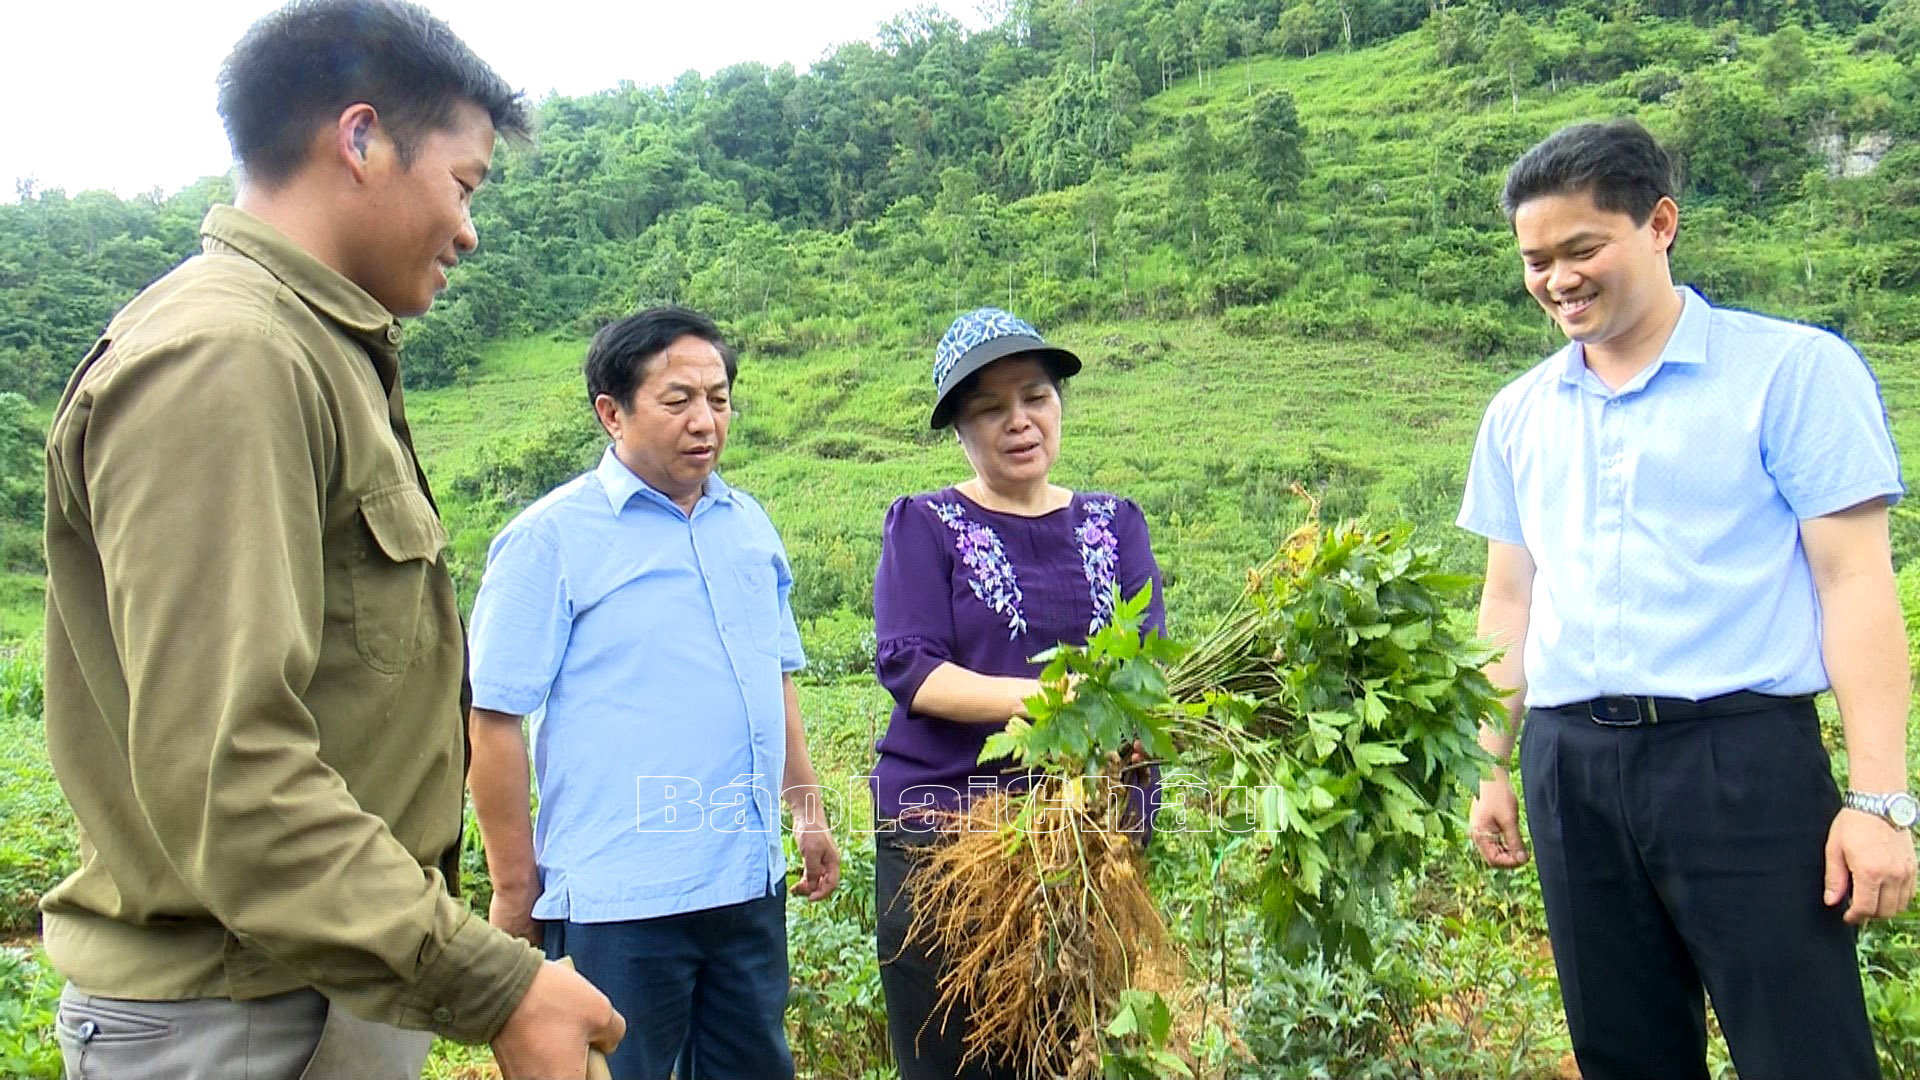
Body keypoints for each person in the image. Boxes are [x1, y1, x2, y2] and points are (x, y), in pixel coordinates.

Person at [38, 2, 625, 1078]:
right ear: (359, 139)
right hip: (237, 1020)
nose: (469, 228)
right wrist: (496, 983)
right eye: (463, 183)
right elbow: (232, 772)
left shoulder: (320, 352)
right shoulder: (228, 358)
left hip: (309, 994)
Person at [1459, 118, 1918, 1080]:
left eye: (1583, 248)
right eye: (1537, 260)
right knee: (1623, 1053)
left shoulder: (1792, 371)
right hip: (1571, 768)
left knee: (1804, 1051)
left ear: (1660, 224)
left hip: (1741, 762)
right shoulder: (1518, 413)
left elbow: (1855, 584)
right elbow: (1509, 603)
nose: (1558, 279)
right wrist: (1489, 762)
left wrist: (1881, 800)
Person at [466, 305, 839, 1080]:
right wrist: (513, 891)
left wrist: (807, 812)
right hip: (619, 903)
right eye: (678, 401)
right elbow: (494, 719)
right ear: (612, 412)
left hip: (744, 888)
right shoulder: (550, 539)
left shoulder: (749, 526)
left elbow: (776, 679)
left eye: (719, 398)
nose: (705, 420)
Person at [870, 307, 1166, 1079]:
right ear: (957, 430)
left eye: (1035, 396)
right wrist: (1046, 698)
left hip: (1085, 838)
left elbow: (1143, 671)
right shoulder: (926, 525)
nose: (1018, 421)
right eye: (988, 408)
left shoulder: (1115, 522)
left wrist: (1135, 738)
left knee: (1072, 1050)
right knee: (956, 1056)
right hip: (951, 845)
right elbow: (913, 670)